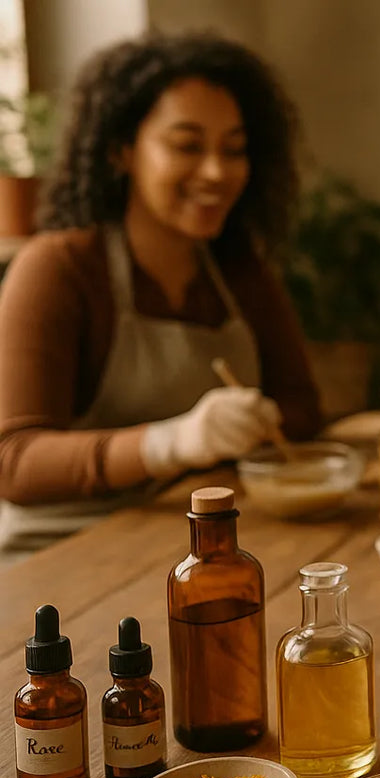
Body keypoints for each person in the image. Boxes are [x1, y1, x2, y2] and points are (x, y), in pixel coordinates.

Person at [0, 32, 322, 562]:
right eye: (187, 145)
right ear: (121, 151)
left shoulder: (241, 273)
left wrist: (255, 420)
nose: (217, 171)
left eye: (235, 149)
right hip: (62, 562)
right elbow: (14, 460)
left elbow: (304, 409)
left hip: (192, 552)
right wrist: (172, 442)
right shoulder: (58, 269)